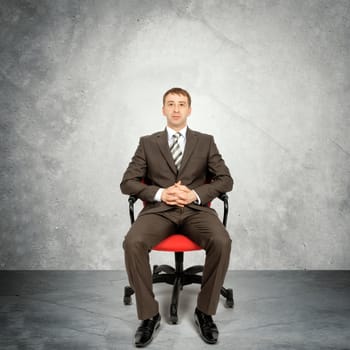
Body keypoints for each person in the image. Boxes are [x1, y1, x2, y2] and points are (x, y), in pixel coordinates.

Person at [120, 87, 233, 347]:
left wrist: (194, 194)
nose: (176, 109)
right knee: (132, 242)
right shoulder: (148, 143)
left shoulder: (206, 141)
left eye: (181, 104)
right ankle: (149, 316)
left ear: (189, 110)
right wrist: (161, 193)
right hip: (159, 211)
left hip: (196, 210)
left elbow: (226, 179)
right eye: (170, 104)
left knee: (222, 241)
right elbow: (127, 183)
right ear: (163, 110)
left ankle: (204, 312)